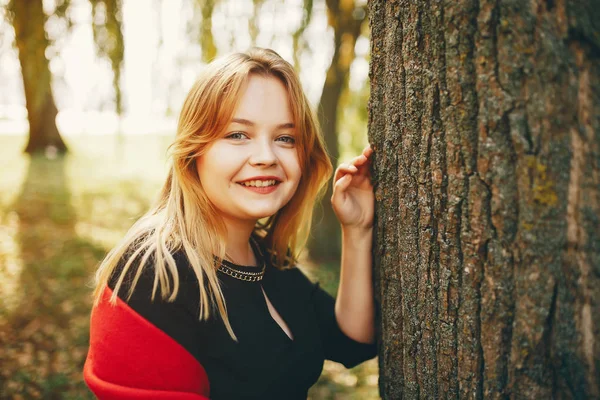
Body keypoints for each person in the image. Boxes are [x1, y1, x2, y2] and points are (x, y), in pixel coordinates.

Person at [83, 47, 376, 400]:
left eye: (285, 138)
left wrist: (356, 230)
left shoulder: (264, 256)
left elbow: (352, 341)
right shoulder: (152, 274)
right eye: (238, 135)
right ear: (195, 151)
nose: (266, 157)